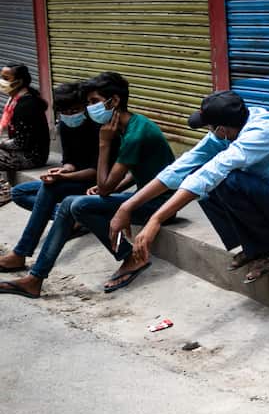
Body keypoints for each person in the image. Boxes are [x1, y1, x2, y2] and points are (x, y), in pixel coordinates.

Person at [104, 90, 269, 286]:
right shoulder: (239, 122)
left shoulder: (260, 134)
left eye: (209, 127)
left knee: (228, 181)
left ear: (221, 129)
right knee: (206, 186)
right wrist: (128, 205)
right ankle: (256, 247)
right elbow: (185, 165)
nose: (208, 132)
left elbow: (210, 173)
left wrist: (156, 219)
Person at [0, 71, 174, 298]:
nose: (90, 108)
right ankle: (35, 278)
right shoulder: (128, 124)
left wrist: (104, 144)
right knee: (71, 204)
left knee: (78, 205)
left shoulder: (131, 133)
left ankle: (130, 257)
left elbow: (104, 187)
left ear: (114, 101)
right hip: (147, 195)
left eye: (94, 102)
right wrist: (116, 188)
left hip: (160, 205)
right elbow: (143, 170)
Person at [0, 81, 111, 273]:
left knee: (51, 188)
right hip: (75, 179)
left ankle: (21, 253)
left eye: (75, 110)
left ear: (85, 106)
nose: (70, 116)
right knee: (19, 193)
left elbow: (97, 171)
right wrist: (63, 171)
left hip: (95, 183)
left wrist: (65, 178)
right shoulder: (66, 127)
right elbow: (69, 160)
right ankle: (77, 219)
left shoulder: (99, 128)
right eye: (65, 112)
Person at [0, 63, 50, 202]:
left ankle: (3, 192)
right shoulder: (15, 99)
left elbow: (21, 142)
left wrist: (1, 143)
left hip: (32, 156)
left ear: (19, 81)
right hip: (26, 150)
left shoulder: (26, 105)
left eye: (6, 78)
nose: (2, 81)